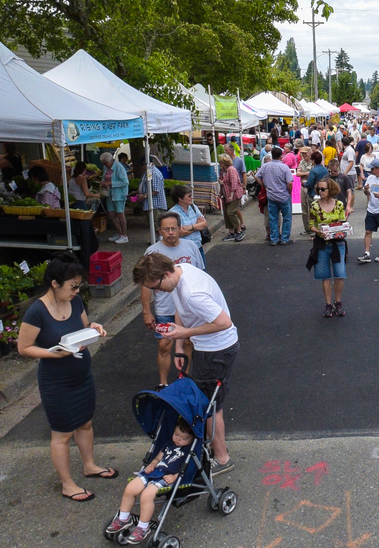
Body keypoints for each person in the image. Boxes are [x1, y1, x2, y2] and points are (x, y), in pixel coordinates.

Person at [16, 253, 112, 501]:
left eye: (79, 286)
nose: (77, 291)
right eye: (73, 286)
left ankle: (89, 465)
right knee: (62, 433)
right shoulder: (37, 311)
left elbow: (83, 328)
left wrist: (94, 327)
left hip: (82, 374)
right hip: (57, 381)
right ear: (55, 283)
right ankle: (67, 484)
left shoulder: (75, 302)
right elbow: (24, 348)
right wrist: (53, 353)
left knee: (86, 422)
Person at [132, 253, 238, 475]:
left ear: (166, 273)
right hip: (207, 348)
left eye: (156, 286)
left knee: (210, 407)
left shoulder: (193, 293)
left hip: (216, 350)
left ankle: (222, 458)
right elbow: (181, 309)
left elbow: (224, 322)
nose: (158, 291)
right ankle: (216, 449)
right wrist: (179, 347)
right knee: (208, 402)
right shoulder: (180, 271)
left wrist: (185, 333)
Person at [104, 418, 195, 544]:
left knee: (146, 495)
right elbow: (157, 458)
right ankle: (123, 518)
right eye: (176, 434)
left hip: (167, 477)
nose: (178, 439)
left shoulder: (189, 451)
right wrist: (152, 464)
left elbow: (189, 468)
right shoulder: (168, 443)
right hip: (153, 472)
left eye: (184, 438)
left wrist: (175, 476)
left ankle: (143, 527)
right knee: (130, 488)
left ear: (192, 439)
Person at [141, 212, 205, 389]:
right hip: (165, 308)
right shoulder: (152, 252)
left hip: (189, 307)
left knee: (187, 342)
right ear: (159, 230)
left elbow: (201, 275)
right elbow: (145, 286)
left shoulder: (191, 246)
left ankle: (184, 379)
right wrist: (147, 312)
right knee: (164, 345)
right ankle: (163, 383)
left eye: (173, 228)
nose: (170, 232)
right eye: (166, 229)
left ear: (180, 228)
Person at [307, 178, 348, 317]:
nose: (320, 191)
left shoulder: (339, 205)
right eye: (318, 189)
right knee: (325, 277)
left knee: (340, 275)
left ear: (331, 190)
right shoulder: (314, 206)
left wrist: (341, 229)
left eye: (323, 189)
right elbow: (311, 225)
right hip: (321, 244)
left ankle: (338, 302)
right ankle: (328, 304)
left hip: (337, 243)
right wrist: (319, 231)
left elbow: (343, 222)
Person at [256, 146, 295, 245]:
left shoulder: (265, 166)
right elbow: (289, 183)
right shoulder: (284, 167)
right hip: (283, 195)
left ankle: (274, 238)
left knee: (273, 218)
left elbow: (257, 177)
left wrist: (264, 186)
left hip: (271, 195)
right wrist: (289, 192)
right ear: (281, 156)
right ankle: (285, 238)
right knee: (287, 218)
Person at [170, 185, 208, 266]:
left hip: (198, 246)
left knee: (202, 270)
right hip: (184, 250)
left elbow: (204, 224)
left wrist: (190, 227)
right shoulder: (173, 213)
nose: (192, 197)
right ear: (180, 199)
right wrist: (197, 226)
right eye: (189, 196)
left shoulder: (193, 207)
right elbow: (180, 233)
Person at [101, 151, 130, 244]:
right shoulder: (105, 167)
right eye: (104, 164)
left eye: (106, 163)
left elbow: (125, 182)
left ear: (111, 160)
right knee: (111, 214)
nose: (105, 165)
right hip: (109, 194)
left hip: (119, 194)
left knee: (120, 214)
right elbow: (104, 177)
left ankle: (124, 235)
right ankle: (119, 233)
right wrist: (103, 182)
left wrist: (110, 183)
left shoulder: (119, 167)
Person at [218, 153, 247, 242]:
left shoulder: (231, 170)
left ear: (224, 162)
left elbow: (234, 183)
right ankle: (231, 232)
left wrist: (231, 195)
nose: (219, 163)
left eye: (220, 162)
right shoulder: (223, 170)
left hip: (234, 195)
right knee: (226, 214)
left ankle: (239, 231)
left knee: (230, 212)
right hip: (225, 194)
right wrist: (220, 190)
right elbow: (221, 181)